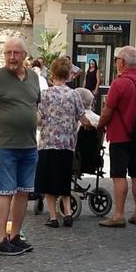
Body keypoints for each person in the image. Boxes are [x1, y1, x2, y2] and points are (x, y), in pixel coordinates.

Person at [0, 36, 40, 256]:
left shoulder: (33, 78)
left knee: (23, 192)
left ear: (25, 56)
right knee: (5, 192)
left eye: (16, 53)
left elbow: (34, 106)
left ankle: (15, 236)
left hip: (29, 146)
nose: (12, 57)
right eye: (8, 53)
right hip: (5, 147)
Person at [96, 46, 136, 227]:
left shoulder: (119, 83)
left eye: (116, 59)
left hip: (121, 134)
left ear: (122, 62)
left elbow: (107, 111)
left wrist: (100, 126)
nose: (116, 63)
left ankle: (118, 215)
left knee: (119, 175)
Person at [36, 57, 87, 228]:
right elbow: (83, 117)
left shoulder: (45, 94)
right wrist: (92, 126)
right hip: (67, 144)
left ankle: (52, 217)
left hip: (48, 142)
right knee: (64, 178)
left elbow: (38, 118)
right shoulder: (74, 95)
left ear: (52, 73)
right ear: (68, 75)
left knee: (49, 181)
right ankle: (68, 213)